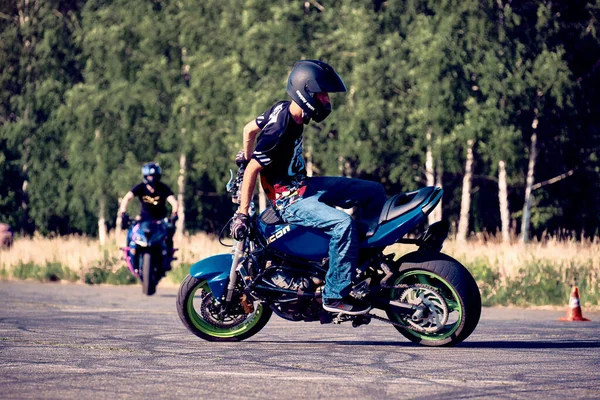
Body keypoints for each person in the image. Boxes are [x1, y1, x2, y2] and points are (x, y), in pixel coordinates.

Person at [231, 60, 386, 315]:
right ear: (306, 93)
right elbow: (252, 171)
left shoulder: (286, 109)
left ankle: (361, 257)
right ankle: (335, 295)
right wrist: (243, 212)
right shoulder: (279, 131)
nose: (326, 100)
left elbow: (248, 130)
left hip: (303, 186)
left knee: (373, 192)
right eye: (322, 94)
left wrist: (246, 155)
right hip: (289, 200)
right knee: (342, 224)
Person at [118, 162, 179, 249]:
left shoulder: (163, 188)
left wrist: (174, 215)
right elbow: (126, 198)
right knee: (131, 232)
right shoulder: (140, 187)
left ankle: (168, 255)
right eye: (150, 176)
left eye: (154, 176)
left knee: (169, 232)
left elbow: (174, 202)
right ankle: (129, 253)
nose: (152, 178)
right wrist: (123, 213)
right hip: (143, 220)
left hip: (160, 221)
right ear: (145, 176)